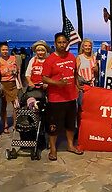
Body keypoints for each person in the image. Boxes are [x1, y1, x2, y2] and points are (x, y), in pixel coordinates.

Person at [42, 32, 83, 161]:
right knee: (54, 125)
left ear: (67, 43)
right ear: (55, 44)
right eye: (59, 42)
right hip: (56, 98)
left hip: (71, 96)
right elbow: (44, 78)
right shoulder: (50, 60)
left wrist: (77, 85)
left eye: (64, 42)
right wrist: (57, 83)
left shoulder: (71, 56)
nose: (62, 45)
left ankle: (70, 145)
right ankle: (53, 149)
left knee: (70, 123)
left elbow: (75, 73)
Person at [0, 42, 22, 134]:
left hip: (13, 84)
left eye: (6, 49)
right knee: (3, 106)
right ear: (0, 51)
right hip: (3, 84)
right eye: (3, 50)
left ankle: (15, 124)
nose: (5, 51)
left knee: (16, 106)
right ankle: (5, 125)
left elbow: (18, 72)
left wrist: (20, 83)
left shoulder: (13, 58)